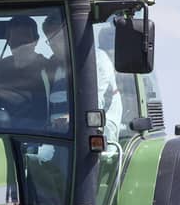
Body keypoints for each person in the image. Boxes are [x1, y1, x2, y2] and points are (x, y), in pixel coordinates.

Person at [42, 13, 121, 144]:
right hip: (63, 139)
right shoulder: (57, 67)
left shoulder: (96, 60)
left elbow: (98, 102)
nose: (53, 46)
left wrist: (70, 118)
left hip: (97, 140)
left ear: (70, 34)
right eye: (50, 40)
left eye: (57, 39)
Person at [0, 15, 49, 126]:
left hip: (37, 132)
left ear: (36, 40)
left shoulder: (46, 67)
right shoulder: (1, 66)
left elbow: (29, 100)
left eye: (24, 42)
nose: (20, 46)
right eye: (15, 41)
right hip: (0, 128)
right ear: (8, 41)